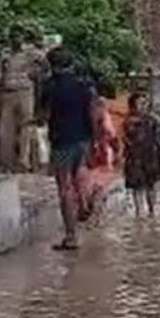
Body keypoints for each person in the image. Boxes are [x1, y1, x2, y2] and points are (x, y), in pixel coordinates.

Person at [41, 48, 96, 251]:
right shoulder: (84, 85)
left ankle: (71, 236)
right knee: (80, 173)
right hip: (82, 138)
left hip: (61, 140)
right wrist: (93, 138)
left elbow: (43, 113)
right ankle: (84, 201)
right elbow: (91, 112)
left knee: (64, 187)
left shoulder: (50, 87)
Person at [0, 31, 49, 171]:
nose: (16, 40)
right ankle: (6, 162)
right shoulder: (5, 54)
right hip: (8, 92)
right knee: (5, 129)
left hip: (25, 91)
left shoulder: (30, 53)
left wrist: (36, 75)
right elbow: (0, 74)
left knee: (26, 126)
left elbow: (45, 62)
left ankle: (23, 161)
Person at [122, 91, 160, 218]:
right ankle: (139, 212)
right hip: (135, 157)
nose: (144, 105)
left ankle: (152, 211)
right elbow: (128, 134)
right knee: (137, 186)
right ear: (133, 104)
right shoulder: (130, 120)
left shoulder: (153, 119)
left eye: (145, 103)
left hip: (151, 155)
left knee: (150, 185)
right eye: (140, 103)